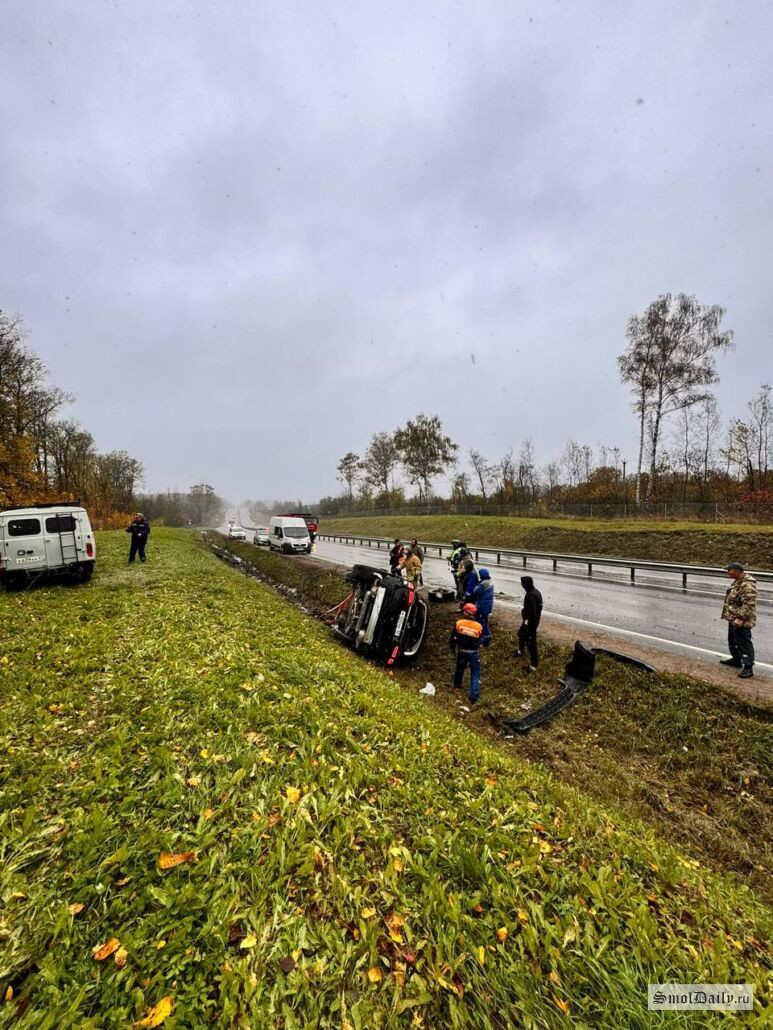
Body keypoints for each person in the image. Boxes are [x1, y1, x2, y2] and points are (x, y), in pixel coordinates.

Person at [720, 561, 757, 678]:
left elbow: (749, 604)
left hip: (742, 620)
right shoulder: (738, 582)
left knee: (743, 643)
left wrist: (740, 618)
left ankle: (748, 668)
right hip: (733, 618)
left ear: (736, 571)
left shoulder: (747, 585)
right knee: (733, 641)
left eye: (729, 570)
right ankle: (736, 659)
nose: (727, 573)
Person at [450, 602, 484, 704]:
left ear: (465, 612)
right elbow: (480, 639)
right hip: (474, 652)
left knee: (459, 669)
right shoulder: (479, 626)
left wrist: (452, 648)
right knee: (475, 673)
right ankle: (473, 696)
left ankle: (456, 685)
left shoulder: (459, 623)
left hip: (462, 651)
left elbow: (453, 638)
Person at [515, 575, 542, 672]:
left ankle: (533, 665)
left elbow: (532, 613)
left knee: (531, 642)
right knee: (521, 635)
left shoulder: (530, 596)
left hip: (531, 623)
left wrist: (525, 623)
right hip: (532, 621)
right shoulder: (536, 592)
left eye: (522, 583)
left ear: (526, 584)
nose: (521, 584)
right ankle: (520, 651)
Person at [468, 567, 494, 646]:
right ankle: (484, 636)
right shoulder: (489, 581)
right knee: (484, 620)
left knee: (481, 622)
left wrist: (476, 586)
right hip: (488, 605)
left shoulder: (483, 584)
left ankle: (486, 638)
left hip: (482, 606)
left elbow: (475, 591)